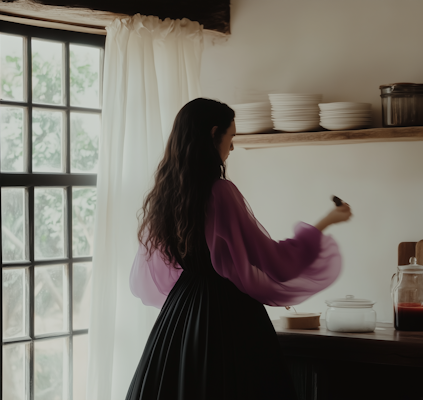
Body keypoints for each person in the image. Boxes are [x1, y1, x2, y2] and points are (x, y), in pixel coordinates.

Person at [126, 98, 352, 400]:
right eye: (231, 138)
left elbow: (161, 268)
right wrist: (327, 221)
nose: (231, 148)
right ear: (213, 133)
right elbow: (275, 262)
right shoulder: (220, 192)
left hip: (181, 314)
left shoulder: (167, 193)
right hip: (228, 319)